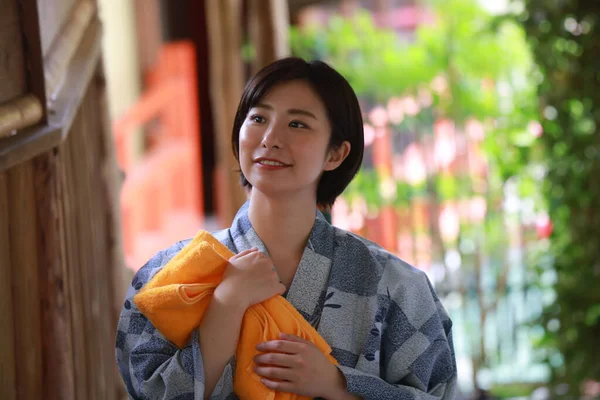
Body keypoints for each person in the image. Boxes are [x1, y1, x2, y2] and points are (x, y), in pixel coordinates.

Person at [116, 57, 457, 400]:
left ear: (335, 154)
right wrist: (225, 304)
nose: (270, 138)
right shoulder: (168, 276)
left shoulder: (396, 286)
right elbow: (143, 391)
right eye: (259, 118)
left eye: (297, 124)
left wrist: (337, 385)